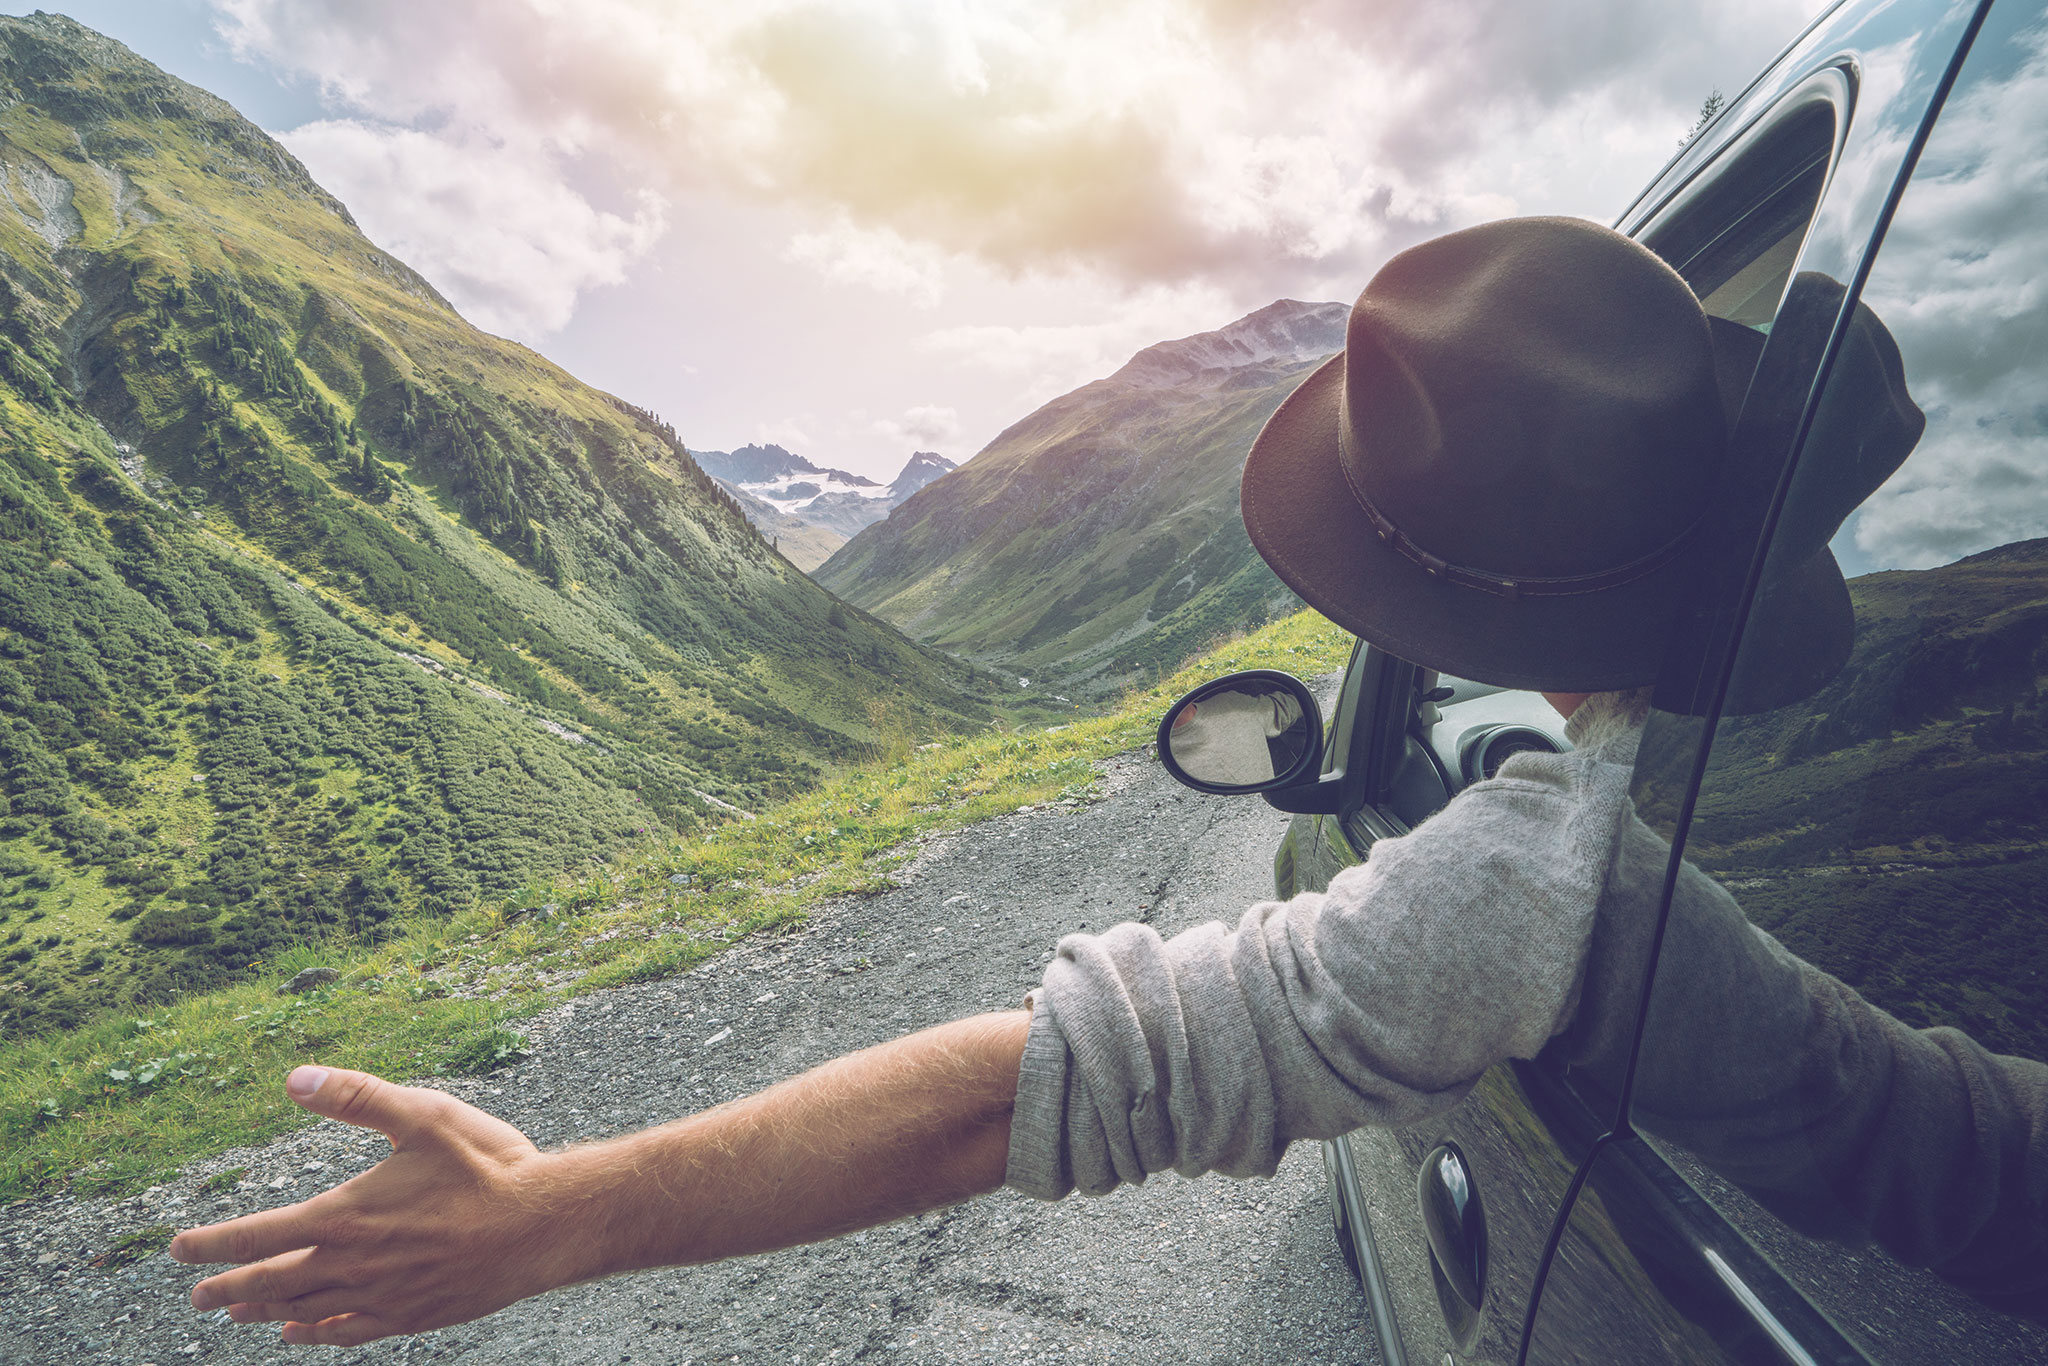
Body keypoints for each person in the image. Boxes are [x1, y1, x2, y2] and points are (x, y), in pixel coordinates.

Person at [169, 217, 2048, 1345]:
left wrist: (556, 1202)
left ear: (1451, 586)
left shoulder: (1531, 875)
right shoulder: (1717, 781)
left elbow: (1032, 1087)